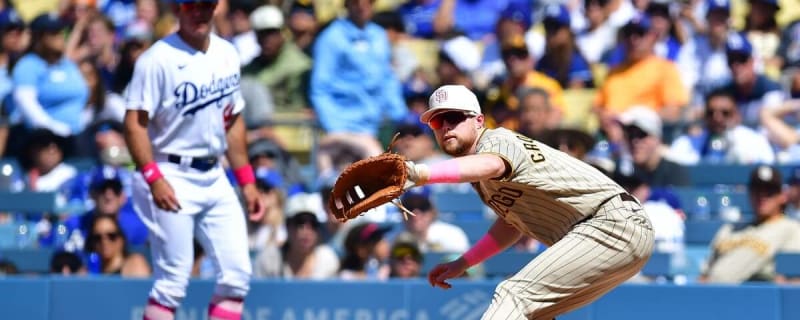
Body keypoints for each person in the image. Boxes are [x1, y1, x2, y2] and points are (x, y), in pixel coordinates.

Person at [397, 84, 655, 319]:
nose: (445, 127)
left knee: (513, 295)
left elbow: (492, 163)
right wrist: (464, 263)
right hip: (612, 232)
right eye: (436, 122)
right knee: (535, 313)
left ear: (478, 120)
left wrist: (419, 174)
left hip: (609, 222)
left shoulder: (496, 140)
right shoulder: (481, 177)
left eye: (452, 118)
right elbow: (511, 224)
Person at [122, 0, 265, 319]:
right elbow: (134, 123)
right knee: (173, 280)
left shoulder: (227, 53)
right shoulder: (157, 59)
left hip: (214, 172)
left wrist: (247, 181)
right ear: (177, 9)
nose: (199, 12)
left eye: (206, 5)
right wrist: (153, 176)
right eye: (191, 6)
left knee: (237, 275)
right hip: (169, 170)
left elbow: (232, 121)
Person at [700, 165, 800, 284]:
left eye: (769, 191)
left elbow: (791, 280)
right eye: (757, 190)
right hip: (713, 293)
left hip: (758, 297)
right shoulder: (730, 229)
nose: (762, 196)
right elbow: (704, 274)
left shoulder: (790, 228)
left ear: (782, 196)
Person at [83, 215, 151, 277]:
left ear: (121, 240)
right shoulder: (90, 272)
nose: (104, 241)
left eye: (111, 236)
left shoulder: (134, 264)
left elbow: (140, 289)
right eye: (97, 237)